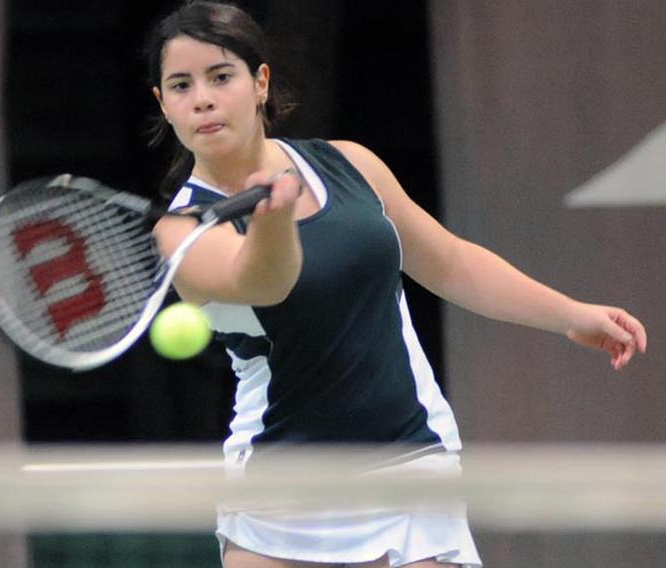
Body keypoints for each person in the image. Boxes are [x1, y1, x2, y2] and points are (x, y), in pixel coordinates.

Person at [143, 2, 648, 567]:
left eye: (220, 76)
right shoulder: (181, 231)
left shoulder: (351, 165)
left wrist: (569, 315)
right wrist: (275, 222)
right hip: (280, 492)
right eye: (181, 86)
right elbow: (265, 282)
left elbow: (449, 262)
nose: (203, 98)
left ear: (260, 82)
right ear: (164, 104)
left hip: (409, 460)